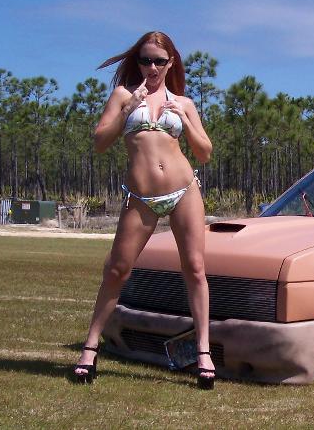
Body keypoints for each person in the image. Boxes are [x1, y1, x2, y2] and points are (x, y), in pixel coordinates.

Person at [73, 31, 215, 389]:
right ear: (137, 62)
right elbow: (100, 142)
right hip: (141, 197)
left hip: (184, 190)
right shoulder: (123, 95)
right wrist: (127, 108)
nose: (151, 67)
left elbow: (204, 152)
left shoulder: (183, 102)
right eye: (145, 60)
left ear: (171, 63)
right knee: (117, 269)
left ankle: (203, 353)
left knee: (195, 268)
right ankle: (90, 349)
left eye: (159, 61)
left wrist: (184, 117)